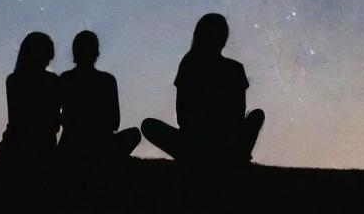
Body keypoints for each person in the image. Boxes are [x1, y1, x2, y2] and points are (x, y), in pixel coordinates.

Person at [141, 13, 264, 165]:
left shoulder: (190, 64)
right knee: (256, 115)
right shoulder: (234, 68)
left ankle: (209, 155)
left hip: (196, 145)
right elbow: (238, 116)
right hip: (223, 144)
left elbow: (182, 116)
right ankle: (234, 154)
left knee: (149, 125)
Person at [58, 30, 141, 161]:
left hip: (75, 145)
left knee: (134, 134)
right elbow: (115, 122)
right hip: (97, 145)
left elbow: (58, 118)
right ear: (96, 52)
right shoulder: (107, 80)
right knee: (134, 134)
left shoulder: (65, 79)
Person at [0, 31, 61, 164]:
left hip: (19, 144)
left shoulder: (14, 80)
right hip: (39, 144)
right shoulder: (53, 81)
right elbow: (54, 120)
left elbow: (16, 120)